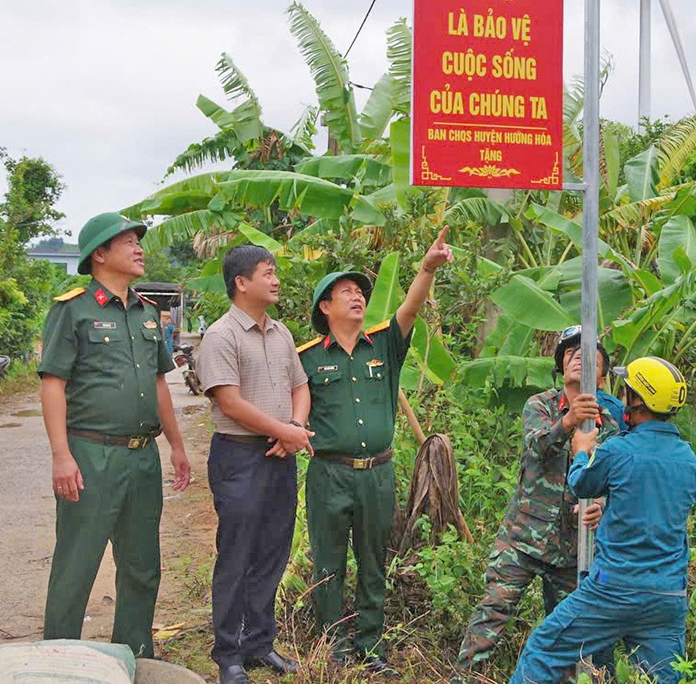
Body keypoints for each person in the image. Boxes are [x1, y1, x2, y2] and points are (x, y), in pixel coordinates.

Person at [298, 227, 453, 675]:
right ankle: (335, 643)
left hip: (377, 474)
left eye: (360, 292)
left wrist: (427, 268)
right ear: (324, 307)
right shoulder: (305, 358)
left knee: (372, 560)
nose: (357, 297)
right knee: (328, 561)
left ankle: (370, 645)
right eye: (345, 292)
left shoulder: (384, 342)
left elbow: (411, 306)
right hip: (329, 473)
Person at [38, 212, 191, 658]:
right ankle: (60, 657)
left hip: (142, 457)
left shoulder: (147, 312)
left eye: (137, 241)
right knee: (77, 563)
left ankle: (135, 651)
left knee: (142, 564)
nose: (139, 248)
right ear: (99, 254)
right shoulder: (73, 309)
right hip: (91, 455)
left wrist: (176, 445)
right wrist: (61, 455)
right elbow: (53, 384)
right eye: (127, 242)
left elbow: (161, 383)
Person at [511, 356, 696, 684]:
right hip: (667, 596)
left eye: (627, 391)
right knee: (664, 678)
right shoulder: (689, 459)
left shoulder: (618, 450)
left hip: (615, 590)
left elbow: (583, 483)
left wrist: (583, 450)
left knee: (543, 649)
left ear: (638, 400)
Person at [456, 325, 621, 674]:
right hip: (522, 538)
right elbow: (536, 446)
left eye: (589, 355)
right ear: (560, 367)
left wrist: (601, 507)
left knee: (569, 640)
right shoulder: (541, 405)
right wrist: (568, 422)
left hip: (573, 549)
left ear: (603, 375)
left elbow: (616, 482)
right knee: (491, 616)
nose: (579, 358)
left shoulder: (610, 425)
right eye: (571, 354)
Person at [196, 245, 313, 684]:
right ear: (241, 282)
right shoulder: (222, 335)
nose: (276, 279)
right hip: (240, 457)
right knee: (237, 555)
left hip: (280, 456)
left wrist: (294, 426)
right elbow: (229, 401)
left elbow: (300, 386)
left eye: (276, 271)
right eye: (268, 272)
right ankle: (228, 653)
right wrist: (284, 431)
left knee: (272, 551)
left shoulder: (281, 332)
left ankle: (260, 644)